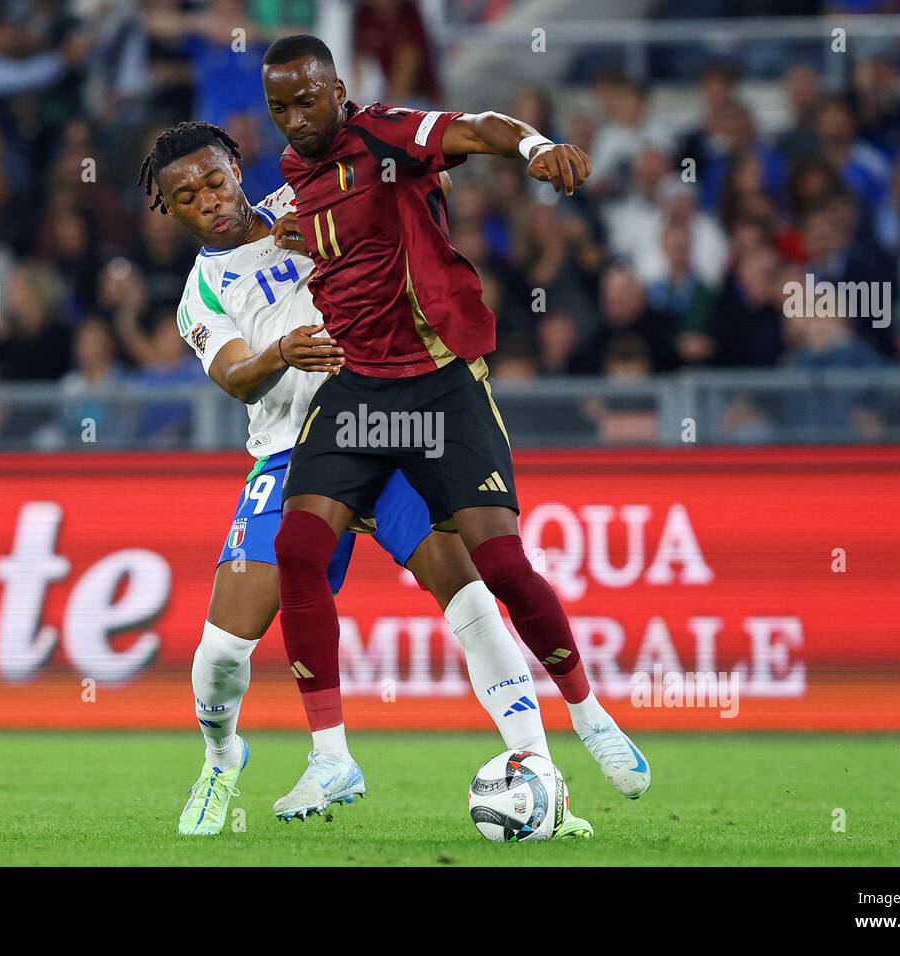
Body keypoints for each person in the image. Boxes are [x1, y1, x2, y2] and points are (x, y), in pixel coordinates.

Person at [137, 121, 593, 837]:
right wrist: (282, 352)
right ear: (168, 210)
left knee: (469, 594)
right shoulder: (201, 293)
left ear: (235, 165)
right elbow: (234, 379)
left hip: (384, 425)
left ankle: (541, 776)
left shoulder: (308, 197)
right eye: (187, 198)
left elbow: (403, 194)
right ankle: (222, 759)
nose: (210, 202)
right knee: (223, 651)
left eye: (216, 182)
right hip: (290, 454)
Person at [259, 34, 651, 820]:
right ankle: (330, 757)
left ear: (337, 88)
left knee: (502, 565)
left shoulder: (386, 137)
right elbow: (293, 230)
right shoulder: (295, 177)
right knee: (298, 548)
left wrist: (537, 146)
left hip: (441, 384)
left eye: (307, 99)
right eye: (279, 108)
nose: (295, 119)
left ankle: (588, 713)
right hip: (359, 389)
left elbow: (478, 126)